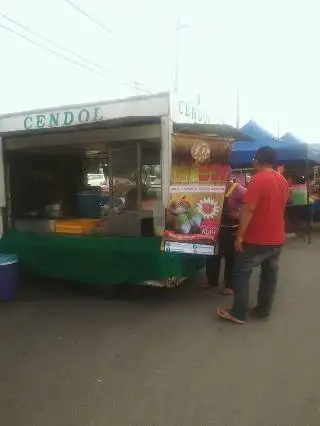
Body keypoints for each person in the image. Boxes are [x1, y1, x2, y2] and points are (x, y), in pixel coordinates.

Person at [217, 146, 289, 324]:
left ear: (257, 160)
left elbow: (248, 209)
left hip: (257, 239)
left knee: (240, 273)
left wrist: (240, 235)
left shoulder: (258, 180)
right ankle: (263, 310)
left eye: (254, 159)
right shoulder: (282, 181)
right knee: (269, 276)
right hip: (277, 239)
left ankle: (239, 313)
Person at [204, 179, 246, 294]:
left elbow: (251, 203)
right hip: (214, 229)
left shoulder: (237, 189)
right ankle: (212, 281)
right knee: (212, 256)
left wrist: (239, 214)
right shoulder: (212, 188)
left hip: (231, 229)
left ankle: (229, 286)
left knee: (230, 258)